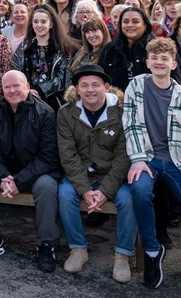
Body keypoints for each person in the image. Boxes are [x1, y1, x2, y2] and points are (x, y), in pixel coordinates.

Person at [122, 38, 181, 289]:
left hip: (178, 162)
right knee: (139, 191)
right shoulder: (135, 87)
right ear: (147, 62)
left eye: (165, 58)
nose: (159, 62)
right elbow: (130, 125)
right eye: (155, 58)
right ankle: (153, 251)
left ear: (173, 64)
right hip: (147, 159)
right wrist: (139, 158)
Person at [0, 71, 62, 271]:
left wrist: (18, 181)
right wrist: (2, 177)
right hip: (3, 171)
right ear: (2, 90)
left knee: (47, 186)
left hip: (35, 172)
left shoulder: (45, 113)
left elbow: (48, 157)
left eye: (17, 85)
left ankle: (46, 244)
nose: (12, 91)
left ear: (27, 87)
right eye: (7, 87)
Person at [56, 65, 135, 283]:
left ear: (106, 87)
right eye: (84, 85)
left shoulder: (121, 112)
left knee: (129, 199)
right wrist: (84, 190)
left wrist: (104, 191)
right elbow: (68, 156)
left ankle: (122, 254)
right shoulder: (66, 113)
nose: (90, 90)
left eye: (96, 85)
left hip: (113, 175)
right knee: (65, 195)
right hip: (81, 174)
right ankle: (78, 249)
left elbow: (123, 157)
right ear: (77, 89)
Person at [18, 4, 78, 112]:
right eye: (35, 22)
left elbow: (61, 77)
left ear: (50, 25)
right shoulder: (25, 47)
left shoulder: (61, 48)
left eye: (43, 22)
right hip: (28, 98)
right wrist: (26, 89)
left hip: (55, 102)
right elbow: (16, 69)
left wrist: (40, 90)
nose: (39, 25)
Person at [99, 7, 153, 92]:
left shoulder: (156, 49)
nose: (130, 25)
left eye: (135, 22)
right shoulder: (109, 49)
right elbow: (100, 78)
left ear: (145, 25)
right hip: (117, 101)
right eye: (125, 22)